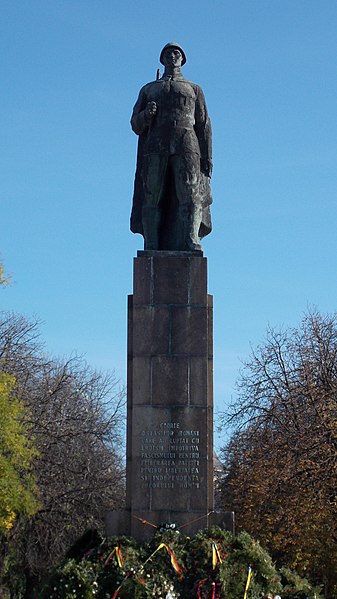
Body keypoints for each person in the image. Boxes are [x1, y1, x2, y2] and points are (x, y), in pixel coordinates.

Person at [130, 42, 213, 251]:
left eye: (176, 53)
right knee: (152, 194)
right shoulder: (149, 89)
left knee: (190, 192)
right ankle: (151, 242)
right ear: (162, 59)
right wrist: (146, 115)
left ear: (182, 59)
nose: (172, 56)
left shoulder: (193, 89)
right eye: (168, 53)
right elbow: (135, 124)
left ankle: (190, 239)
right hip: (156, 145)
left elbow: (204, 124)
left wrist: (208, 157)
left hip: (187, 143)